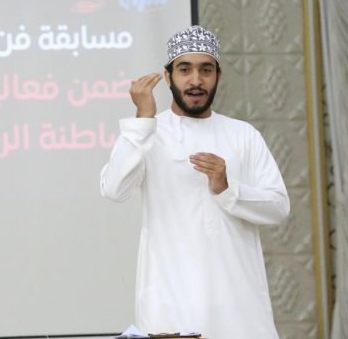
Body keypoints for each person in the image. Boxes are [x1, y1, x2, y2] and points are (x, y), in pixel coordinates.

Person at [100, 25, 290, 338]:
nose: (196, 80)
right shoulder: (148, 131)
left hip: (238, 306)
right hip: (171, 305)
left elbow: (278, 207)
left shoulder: (243, 135)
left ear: (218, 76)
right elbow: (114, 189)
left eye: (206, 70)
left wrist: (227, 188)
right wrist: (142, 119)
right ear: (168, 76)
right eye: (185, 69)